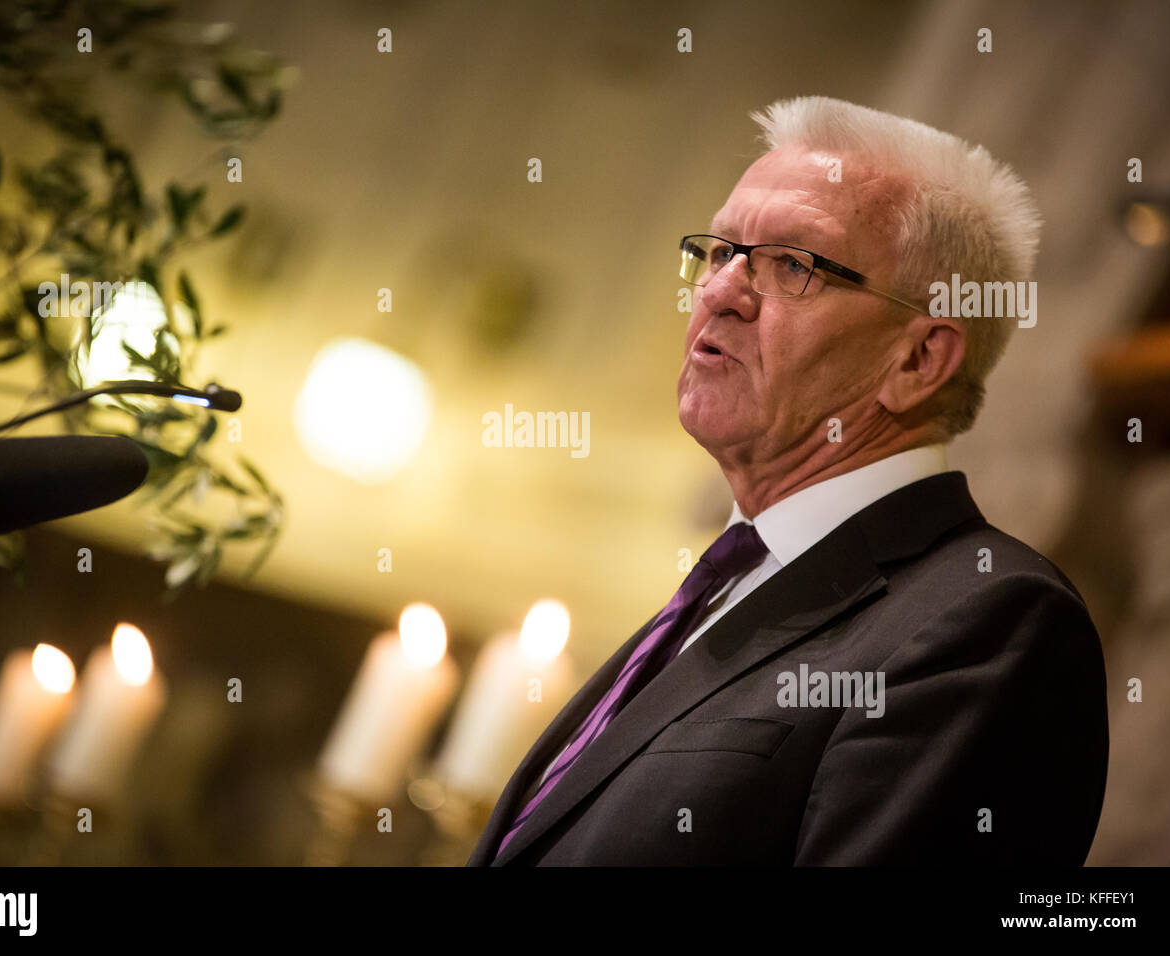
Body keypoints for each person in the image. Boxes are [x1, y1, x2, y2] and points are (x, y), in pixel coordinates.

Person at [468, 96, 1108, 866]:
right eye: (718, 253)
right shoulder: (737, 575)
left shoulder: (989, 623)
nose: (718, 292)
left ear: (918, 361)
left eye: (795, 265)